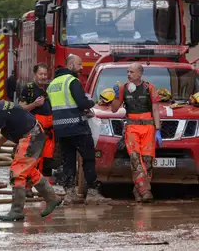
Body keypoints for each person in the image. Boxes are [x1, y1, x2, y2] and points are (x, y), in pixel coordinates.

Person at [0, 88, 62, 221]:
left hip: (32, 136)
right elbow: (7, 131)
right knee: (28, 171)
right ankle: (52, 198)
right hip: (34, 133)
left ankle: (17, 210)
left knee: (17, 172)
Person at [47, 54, 110, 205]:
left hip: (61, 129)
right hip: (77, 127)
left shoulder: (53, 84)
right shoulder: (72, 81)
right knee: (88, 158)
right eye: (79, 64)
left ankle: (69, 194)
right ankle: (93, 193)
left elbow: (53, 107)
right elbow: (82, 103)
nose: (82, 67)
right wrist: (91, 102)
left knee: (68, 161)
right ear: (70, 66)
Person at [111, 63, 162, 203]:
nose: (128, 74)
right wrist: (115, 96)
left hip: (148, 128)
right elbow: (114, 109)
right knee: (135, 159)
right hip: (132, 127)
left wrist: (158, 130)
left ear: (140, 74)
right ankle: (145, 191)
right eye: (127, 72)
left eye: (132, 72)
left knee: (147, 161)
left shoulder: (150, 88)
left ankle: (138, 189)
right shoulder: (123, 88)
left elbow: (156, 110)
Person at [19, 63, 56, 198]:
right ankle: (28, 187)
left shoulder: (50, 89)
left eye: (45, 74)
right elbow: (21, 109)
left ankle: (46, 190)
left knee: (47, 161)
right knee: (32, 159)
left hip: (49, 132)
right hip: (34, 130)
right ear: (35, 74)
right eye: (41, 74)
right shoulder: (28, 89)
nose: (43, 77)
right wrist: (34, 104)